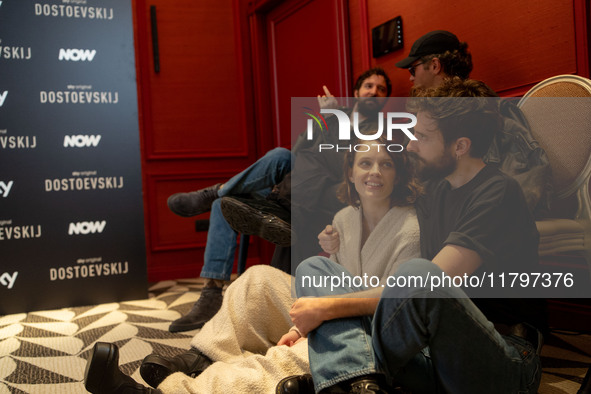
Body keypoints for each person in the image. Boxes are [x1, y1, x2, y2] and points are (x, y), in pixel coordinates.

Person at [83, 134, 422, 394]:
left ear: (398, 173)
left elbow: (398, 306)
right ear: (349, 172)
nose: (374, 172)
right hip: (332, 306)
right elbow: (328, 278)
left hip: (369, 329)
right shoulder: (346, 218)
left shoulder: (409, 227)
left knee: (288, 359)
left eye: (386, 164)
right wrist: (306, 316)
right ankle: (201, 358)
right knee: (257, 280)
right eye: (365, 164)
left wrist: (316, 319)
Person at [278, 78, 546, 393]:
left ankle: (346, 374)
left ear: (460, 146)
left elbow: (421, 288)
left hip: (502, 356)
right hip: (430, 348)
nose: (410, 145)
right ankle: (361, 380)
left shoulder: (498, 193)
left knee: (419, 274)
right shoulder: (434, 187)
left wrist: (325, 310)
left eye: (421, 136)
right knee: (314, 268)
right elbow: (370, 186)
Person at [165, 67, 393, 332]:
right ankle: (211, 291)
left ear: (386, 99)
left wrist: (332, 119)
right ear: (356, 92)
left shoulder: (378, 129)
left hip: (325, 185)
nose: (374, 92)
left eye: (381, 89)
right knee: (276, 156)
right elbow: (298, 150)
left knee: (227, 199)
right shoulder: (334, 114)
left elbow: (345, 164)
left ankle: (218, 191)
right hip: (296, 178)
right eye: (369, 86)